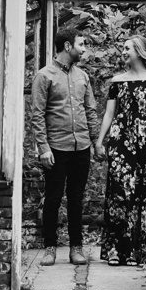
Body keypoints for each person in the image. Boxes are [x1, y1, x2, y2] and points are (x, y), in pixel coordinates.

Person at [27, 25, 99, 266]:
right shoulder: (44, 76)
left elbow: (90, 110)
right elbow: (37, 115)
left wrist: (96, 141)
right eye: (81, 44)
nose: (84, 49)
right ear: (67, 46)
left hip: (81, 147)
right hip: (56, 148)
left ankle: (76, 248)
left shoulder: (83, 76)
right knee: (54, 198)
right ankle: (49, 248)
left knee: (77, 198)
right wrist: (43, 148)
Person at [97, 33, 146, 267]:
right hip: (120, 140)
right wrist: (100, 141)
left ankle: (139, 251)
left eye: (127, 48)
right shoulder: (117, 81)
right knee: (120, 191)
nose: (123, 52)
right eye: (123, 48)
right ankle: (117, 250)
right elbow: (109, 113)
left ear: (139, 50)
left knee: (145, 191)